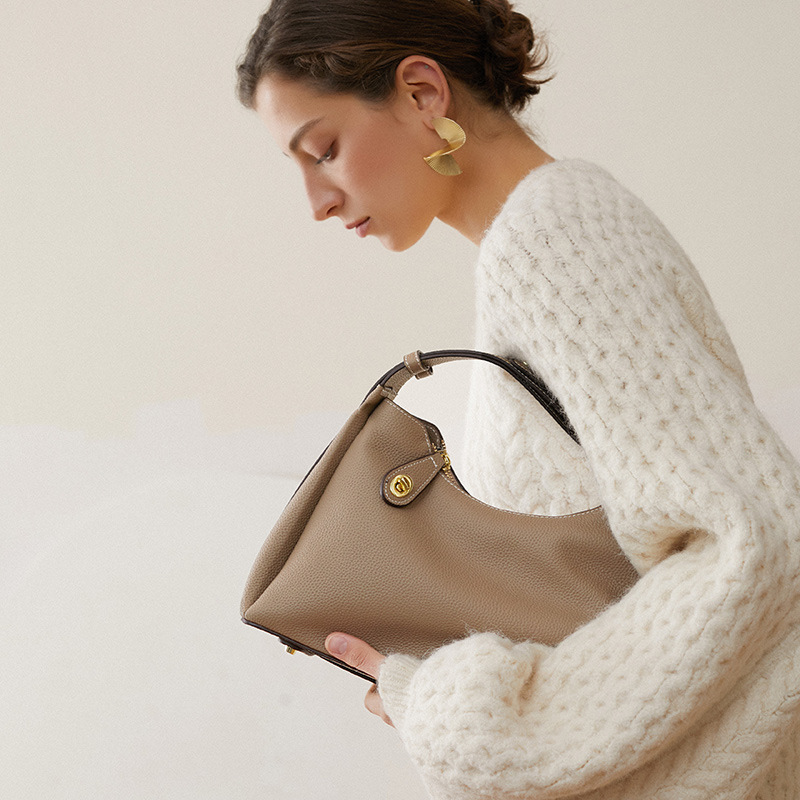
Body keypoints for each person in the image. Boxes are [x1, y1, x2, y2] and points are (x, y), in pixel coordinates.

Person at [236, 0, 800, 796]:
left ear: (423, 93)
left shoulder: (553, 238)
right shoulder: (547, 234)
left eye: (324, 150)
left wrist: (464, 717)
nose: (316, 201)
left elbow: (753, 545)